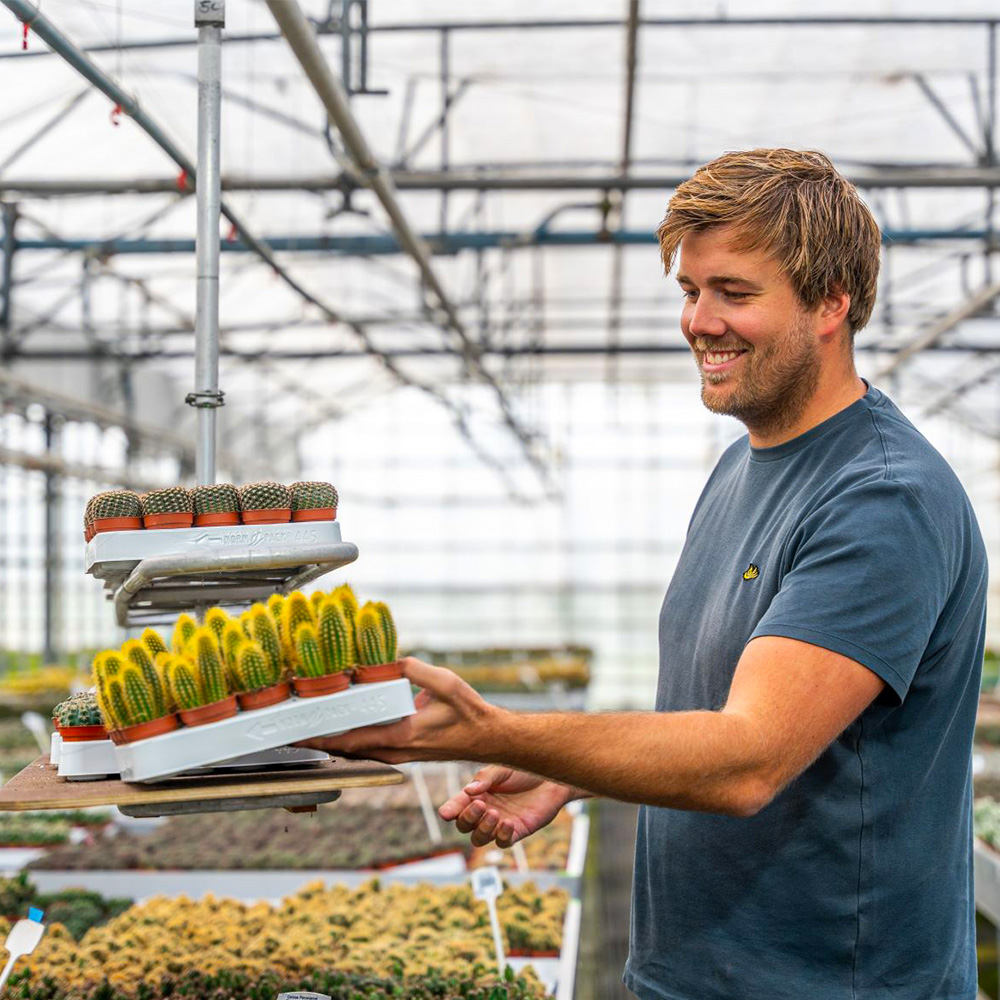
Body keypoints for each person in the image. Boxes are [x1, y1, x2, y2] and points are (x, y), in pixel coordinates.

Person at [302, 149, 988, 1000]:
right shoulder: (742, 468)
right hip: (693, 973)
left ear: (831, 304)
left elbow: (748, 759)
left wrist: (491, 730)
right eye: (690, 292)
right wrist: (571, 770)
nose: (700, 322)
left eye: (734, 293)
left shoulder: (882, 499)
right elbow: (714, 702)